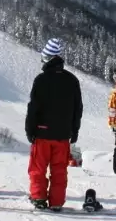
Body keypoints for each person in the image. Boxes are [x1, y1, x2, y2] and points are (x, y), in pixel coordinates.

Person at [25, 38, 83, 211]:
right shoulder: (72, 81)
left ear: (48, 58)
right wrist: (74, 131)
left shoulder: (41, 80)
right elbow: (77, 109)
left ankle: (39, 198)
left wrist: (30, 130)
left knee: (38, 168)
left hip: (42, 134)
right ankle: (56, 202)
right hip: (63, 134)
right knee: (59, 170)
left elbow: (33, 108)